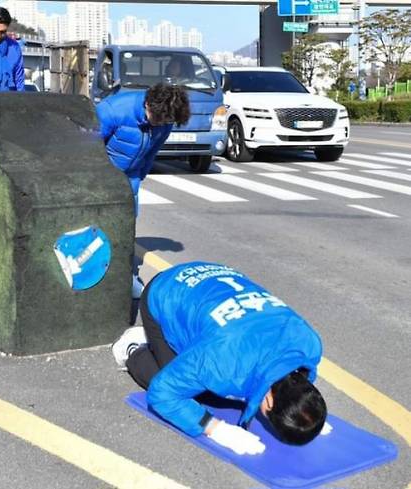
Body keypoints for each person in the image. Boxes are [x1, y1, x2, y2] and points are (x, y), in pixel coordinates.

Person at [112, 261, 327, 455]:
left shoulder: (309, 345)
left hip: (216, 279)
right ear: (269, 400)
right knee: (182, 387)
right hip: (167, 291)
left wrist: (308, 416)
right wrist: (215, 428)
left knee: (208, 381)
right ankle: (133, 348)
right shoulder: (222, 362)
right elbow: (163, 393)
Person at [96, 84, 190, 297]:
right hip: (102, 177)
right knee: (98, 226)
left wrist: (140, 177)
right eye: (157, 120)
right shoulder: (113, 110)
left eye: (166, 122)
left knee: (125, 229)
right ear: (148, 104)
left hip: (131, 178)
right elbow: (90, 147)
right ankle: (93, 274)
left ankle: (124, 275)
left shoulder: (164, 119)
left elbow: (151, 152)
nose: (160, 125)